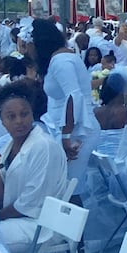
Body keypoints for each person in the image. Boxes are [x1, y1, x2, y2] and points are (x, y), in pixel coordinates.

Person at [0, 80, 67, 253]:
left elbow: (29, 204)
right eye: (11, 116)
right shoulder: (9, 147)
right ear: (2, 122)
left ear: (32, 114)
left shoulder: (44, 146)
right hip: (19, 218)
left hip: (39, 224)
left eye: (24, 114)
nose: (19, 121)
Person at [20, 18, 99, 203]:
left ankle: (73, 230)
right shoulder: (59, 59)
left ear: (37, 43)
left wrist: (65, 137)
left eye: (27, 45)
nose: (27, 51)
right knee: (62, 186)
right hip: (67, 128)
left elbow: (74, 96)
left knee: (68, 188)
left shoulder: (62, 60)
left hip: (77, 131)